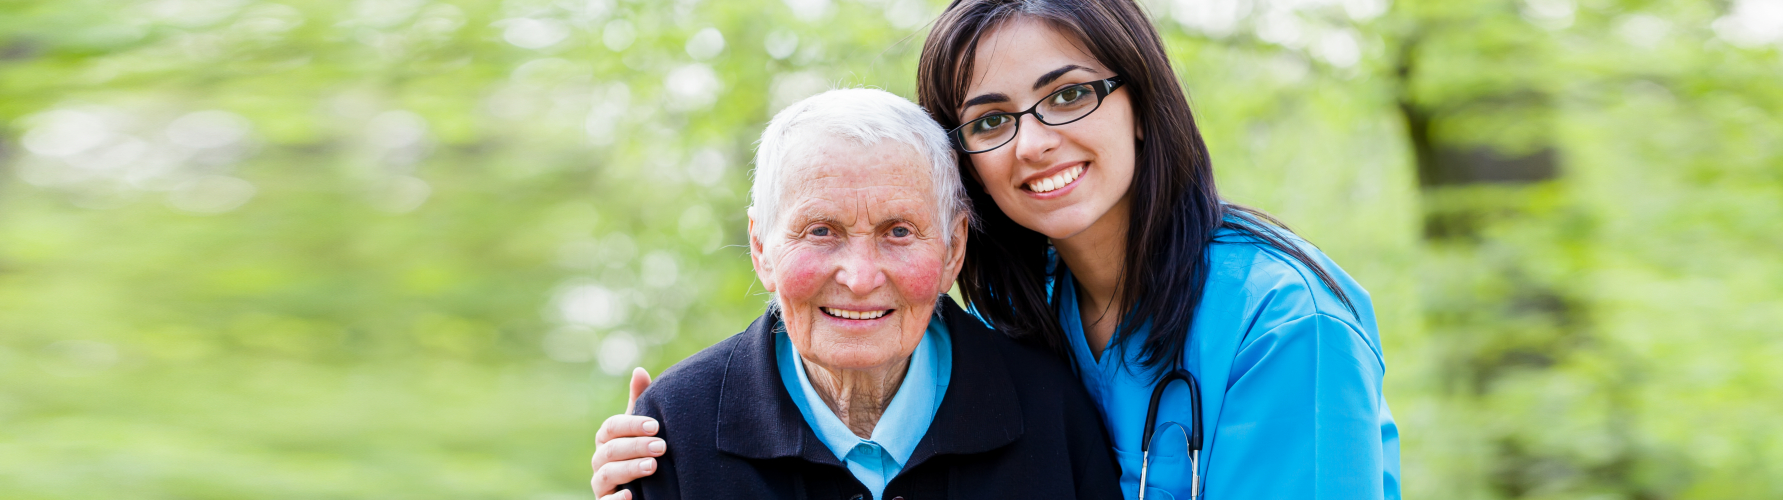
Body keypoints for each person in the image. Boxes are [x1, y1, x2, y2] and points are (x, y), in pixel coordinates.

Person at [595, 1, 1400, 498]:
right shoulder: (1022, 309)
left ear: (1141, 104)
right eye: (990, 119)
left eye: (1069, 95)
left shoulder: (1285, 326)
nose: (1036, 142)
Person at [606, 88, 1120, 500]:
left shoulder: (1049, 409)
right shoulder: (673, 430)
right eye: (821, 231)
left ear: (953, 250)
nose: (859, 277)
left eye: (898, 231)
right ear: (761, 248)